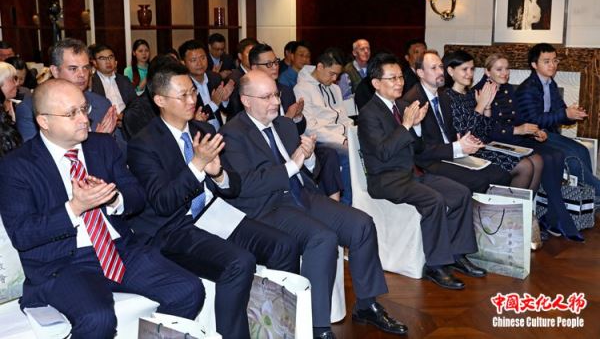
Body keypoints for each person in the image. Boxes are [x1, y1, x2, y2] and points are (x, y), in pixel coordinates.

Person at [0, 79, 203, 338]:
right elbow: (23, 234)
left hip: (118, 248)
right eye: (71, 113)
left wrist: (113, 198)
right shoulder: (17, 165)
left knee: (188, 290)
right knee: (98, 318)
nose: (84, 119)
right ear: (44, 121)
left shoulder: (102, 145)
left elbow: (137, 196)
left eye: (84, 109)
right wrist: (75, 207)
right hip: (64, 262)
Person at [220, 70, 408, 339]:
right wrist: (292, 165)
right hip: (267, 207)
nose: (276, 101)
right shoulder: (232, 134)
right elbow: (246, 185)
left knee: (362, 224)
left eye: (276, 94)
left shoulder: (285, 125)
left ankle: (367, 305)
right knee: (322, 239)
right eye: (267, 97)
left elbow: (310, 172)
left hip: (302, 196)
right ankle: (317, 327)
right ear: (246, 100)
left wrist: (307, 159)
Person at [127, 61, 298, 338]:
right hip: (174, 226)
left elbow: (232, 186)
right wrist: (196, 165)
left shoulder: (203, 129)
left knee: (284, 245)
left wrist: (218, 174)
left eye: (193, 92)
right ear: (160, 100)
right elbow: (162, 203)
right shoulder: (144, 144)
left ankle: (277, 331)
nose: (192, 100)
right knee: (239, 262)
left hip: (214, 213)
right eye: (183, 95)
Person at [358, 53, 485, 290]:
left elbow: (417, 148)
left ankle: (458, 254)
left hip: (410, 174)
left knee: (460, 193)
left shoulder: (402, 106)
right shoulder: (369, 113)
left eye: (400, 77)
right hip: (386, 179)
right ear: (376, 83)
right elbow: (383, 152)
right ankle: (436, 265)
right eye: (392, 78)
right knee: (434, 200)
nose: (399, 83)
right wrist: (407, 124)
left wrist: (415, 127)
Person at [475, 53, 582, 241]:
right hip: (498, 142)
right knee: (542, 159)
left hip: (515, 138)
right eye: (499, 69)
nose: (505, 73)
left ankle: (548, 216)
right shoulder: (480, 92)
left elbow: (518, 118)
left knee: (557, 155)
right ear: (487, 71)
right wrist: (518, 130)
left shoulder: (507, 88)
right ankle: (556, 216)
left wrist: (534, 131)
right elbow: (487, 130)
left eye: (507, 68)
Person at [402, 51, 512, 193]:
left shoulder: (443, 96)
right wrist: (457, 146)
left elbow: (459, 131)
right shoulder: (412, 101)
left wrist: (463, 142)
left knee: (502, 175)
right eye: (434, 68)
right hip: (431, 160)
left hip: (452, 152)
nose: (440, 72)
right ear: (420, 73)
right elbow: (418, 148)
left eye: (441, 67)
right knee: (480, 181)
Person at [247, 43, 344, 201]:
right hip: (268, 150)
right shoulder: (246, 95)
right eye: (269, 64)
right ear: (254, 67)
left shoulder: (285, 90)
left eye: (276, 62)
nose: (275, 67)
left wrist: (297, 117)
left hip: (293, 145)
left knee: (328, 154)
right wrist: (287, 119)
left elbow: (299, 128)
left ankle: (334, 202)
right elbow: (251, 130)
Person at [443, 50, 542, 191]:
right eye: (464, 69)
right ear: (451, 71)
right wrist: (481, 106)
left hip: (481, 146)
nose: (469, 74)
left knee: (536, 160)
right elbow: (464, 134)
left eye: (472, 69)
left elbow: (485, 130)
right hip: (465, 152)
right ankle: (510, 205)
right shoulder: (447, 97)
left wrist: (487, 108)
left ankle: (525, 204)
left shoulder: (470, 94)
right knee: (525, 166)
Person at [516, 43, 600, 200]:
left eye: (555, 60)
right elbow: (534, 120)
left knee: (582, 150)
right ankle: (595, 193)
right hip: (529, 137)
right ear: (534, 64)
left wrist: (571, 115)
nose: (552, 65)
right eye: (546, 61)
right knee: (572, 159)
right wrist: (564, 114)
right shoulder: (527, 89)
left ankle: (586, 196)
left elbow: (559, 112)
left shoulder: (550, 84)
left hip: (547, 134)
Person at [16, 38, 118, 142]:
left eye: (85, 68)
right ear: (55, 71)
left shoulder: (102, 104)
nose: (82, 74)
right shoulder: (30, 109)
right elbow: (36, 151)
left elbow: (121, 148)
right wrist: (98, 141)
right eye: (73, 69)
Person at [294, 48, 354, 205]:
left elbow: (343, 118)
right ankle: (347, 203)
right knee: (349, 154)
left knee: (365, 145)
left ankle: (362, 196)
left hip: (340, 136)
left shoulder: (335, 89)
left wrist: (353, 134)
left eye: (337, 75)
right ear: (320, 67)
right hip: (319, 139)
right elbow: (310, 128)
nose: (334, 79)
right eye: (332, 74)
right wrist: (341, 140)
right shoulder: (301, 89)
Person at [179, 39, 234, 130]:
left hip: (219, 132)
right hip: (199, 134)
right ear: (183, 63)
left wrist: (225, 100)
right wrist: (214, 103)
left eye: (203, 58)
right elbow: (193, 117)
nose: (200, 63)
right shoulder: (183, 86)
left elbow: (228, 111)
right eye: (193, 60)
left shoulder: (215, 77)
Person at [90, 43, 137, 126]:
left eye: (111, 57)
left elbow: (135, 104)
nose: (108, 61)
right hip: (104, 125)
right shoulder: (91, 82)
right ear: (95, 62)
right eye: (102, 58)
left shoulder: (124, 80)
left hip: (126, 123)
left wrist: (125, 117)